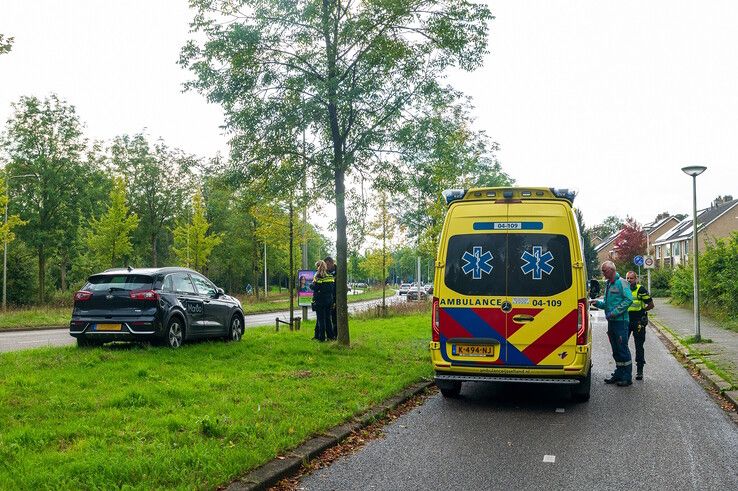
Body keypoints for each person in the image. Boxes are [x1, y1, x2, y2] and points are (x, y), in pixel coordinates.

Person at [591, 261, 634, 387]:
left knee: (622, 349)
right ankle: (619, 373)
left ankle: (627, 377)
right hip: (612, 322)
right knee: (616, 350)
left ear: (611, 270)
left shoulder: (621, 282)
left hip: (621, 322)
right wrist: (597, 303)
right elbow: (607, 303)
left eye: (604, 270)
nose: (603, 273)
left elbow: (628, 300)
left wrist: (615, 313)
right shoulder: (609, 284)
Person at [625, 271, 654, 380]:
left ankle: (639, 371)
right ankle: (624, 370)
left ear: (636, 279)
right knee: (623, 346)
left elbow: (651, 304)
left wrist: (642, 311)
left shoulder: (640, 289)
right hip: (626, 321)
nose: (629, 280)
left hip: (638, 322)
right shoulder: (624, 289)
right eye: (627, 278)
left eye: (631, 278)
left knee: (639, 346)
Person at [310, 260, 335, 342]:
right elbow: (332, 288)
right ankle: (330, 336)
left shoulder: (318, 276)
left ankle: (322, 338)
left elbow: (316, 287)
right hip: (329, 300)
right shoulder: (330, 276)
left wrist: (311, 284)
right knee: (328, 319)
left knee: (321, 319)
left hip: (320, 301)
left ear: (318, 266)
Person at [324, 256, 337, 340]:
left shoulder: (338, 271)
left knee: (335, 318)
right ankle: (330, 336)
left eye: (328, 264)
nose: (327, 266)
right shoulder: (325, 272)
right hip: (328, 298)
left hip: (336, 297)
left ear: (332, 263)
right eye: (325, 265)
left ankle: (336, 335)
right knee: (327, 318)